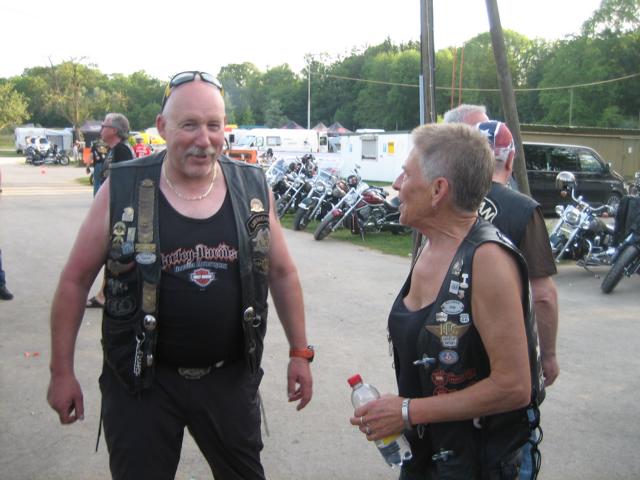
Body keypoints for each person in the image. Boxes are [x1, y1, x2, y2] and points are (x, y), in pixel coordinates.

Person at [47, 70, 313, 480]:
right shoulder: (122, 187)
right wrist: (61, 372)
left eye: (213, 125)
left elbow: (281, 272)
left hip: (228, 379)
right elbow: (75, 281)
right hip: (141, 382)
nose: (203, 139)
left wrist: (299, 353)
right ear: (162, 127)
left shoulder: (251, 187)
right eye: (189, 125)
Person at [350, 123, 544, 479]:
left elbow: (515, 387)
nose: (397, 184)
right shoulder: (431, 243)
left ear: (438, 190)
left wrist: (408, 411)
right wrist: (401, 410)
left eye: (406, 174)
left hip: (476, 467)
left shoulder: (487, 260)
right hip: (425, 459)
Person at [86, 114, 135, 307]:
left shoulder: (122, 150)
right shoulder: (115, 150)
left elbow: (125, 184)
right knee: (111, 253)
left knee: (114, 253)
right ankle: (103, 294)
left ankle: (105, 295)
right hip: (112, 209)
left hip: (119, 212)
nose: (101, 129)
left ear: (114, 130)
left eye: (104, 125)